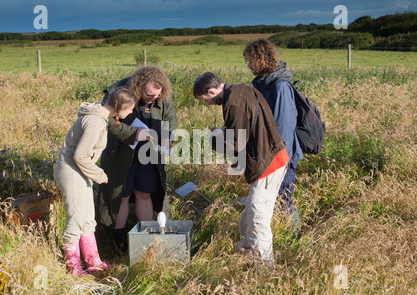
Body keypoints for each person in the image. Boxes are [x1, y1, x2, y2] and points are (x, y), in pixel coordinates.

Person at [193, 72, 289, 265]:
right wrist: (223, 131)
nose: (208, 104)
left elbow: (237, 144)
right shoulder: (242, 89)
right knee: (249, 214)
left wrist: (214, 138)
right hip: (274, 156)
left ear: (212, 91)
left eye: (206, 100)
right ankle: (245, 255)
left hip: (267, 163)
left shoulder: (232, 104)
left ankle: (264, 268)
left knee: (257, 218)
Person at [55, 88, 137, 275]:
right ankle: (73, 267)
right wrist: (100, 175)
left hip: (80, 172)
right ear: (120, 107)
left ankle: (94, 262)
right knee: (75, 220)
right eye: (130, 109)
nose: (131, 112)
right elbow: (80, 156)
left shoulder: (100, 118)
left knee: (87, 220)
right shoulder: (95, 122)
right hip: (72, 172)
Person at [96, 65, 177, 252]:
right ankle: (119, 240)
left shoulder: (161, 95)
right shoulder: (117, 92)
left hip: (149, 154)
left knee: (144, 192)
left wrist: (168, 135)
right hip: (121, 155)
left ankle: (147, 236)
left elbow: (170, 118)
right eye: (149, 95)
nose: (153, 99)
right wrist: (133, 134)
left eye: (156, 96)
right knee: (121, 196)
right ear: (138, 86)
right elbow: (107, 120)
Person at [243, 39, 303, 238]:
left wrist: (277, 158)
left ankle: (296, 238)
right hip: (265, 153)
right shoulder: (259, 83)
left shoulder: (280, 86)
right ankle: (279, 234)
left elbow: (284, 127)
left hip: (281, 154)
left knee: (283, 198)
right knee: (269, 199)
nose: (248, 65)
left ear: (261, 59)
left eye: (251, 60)